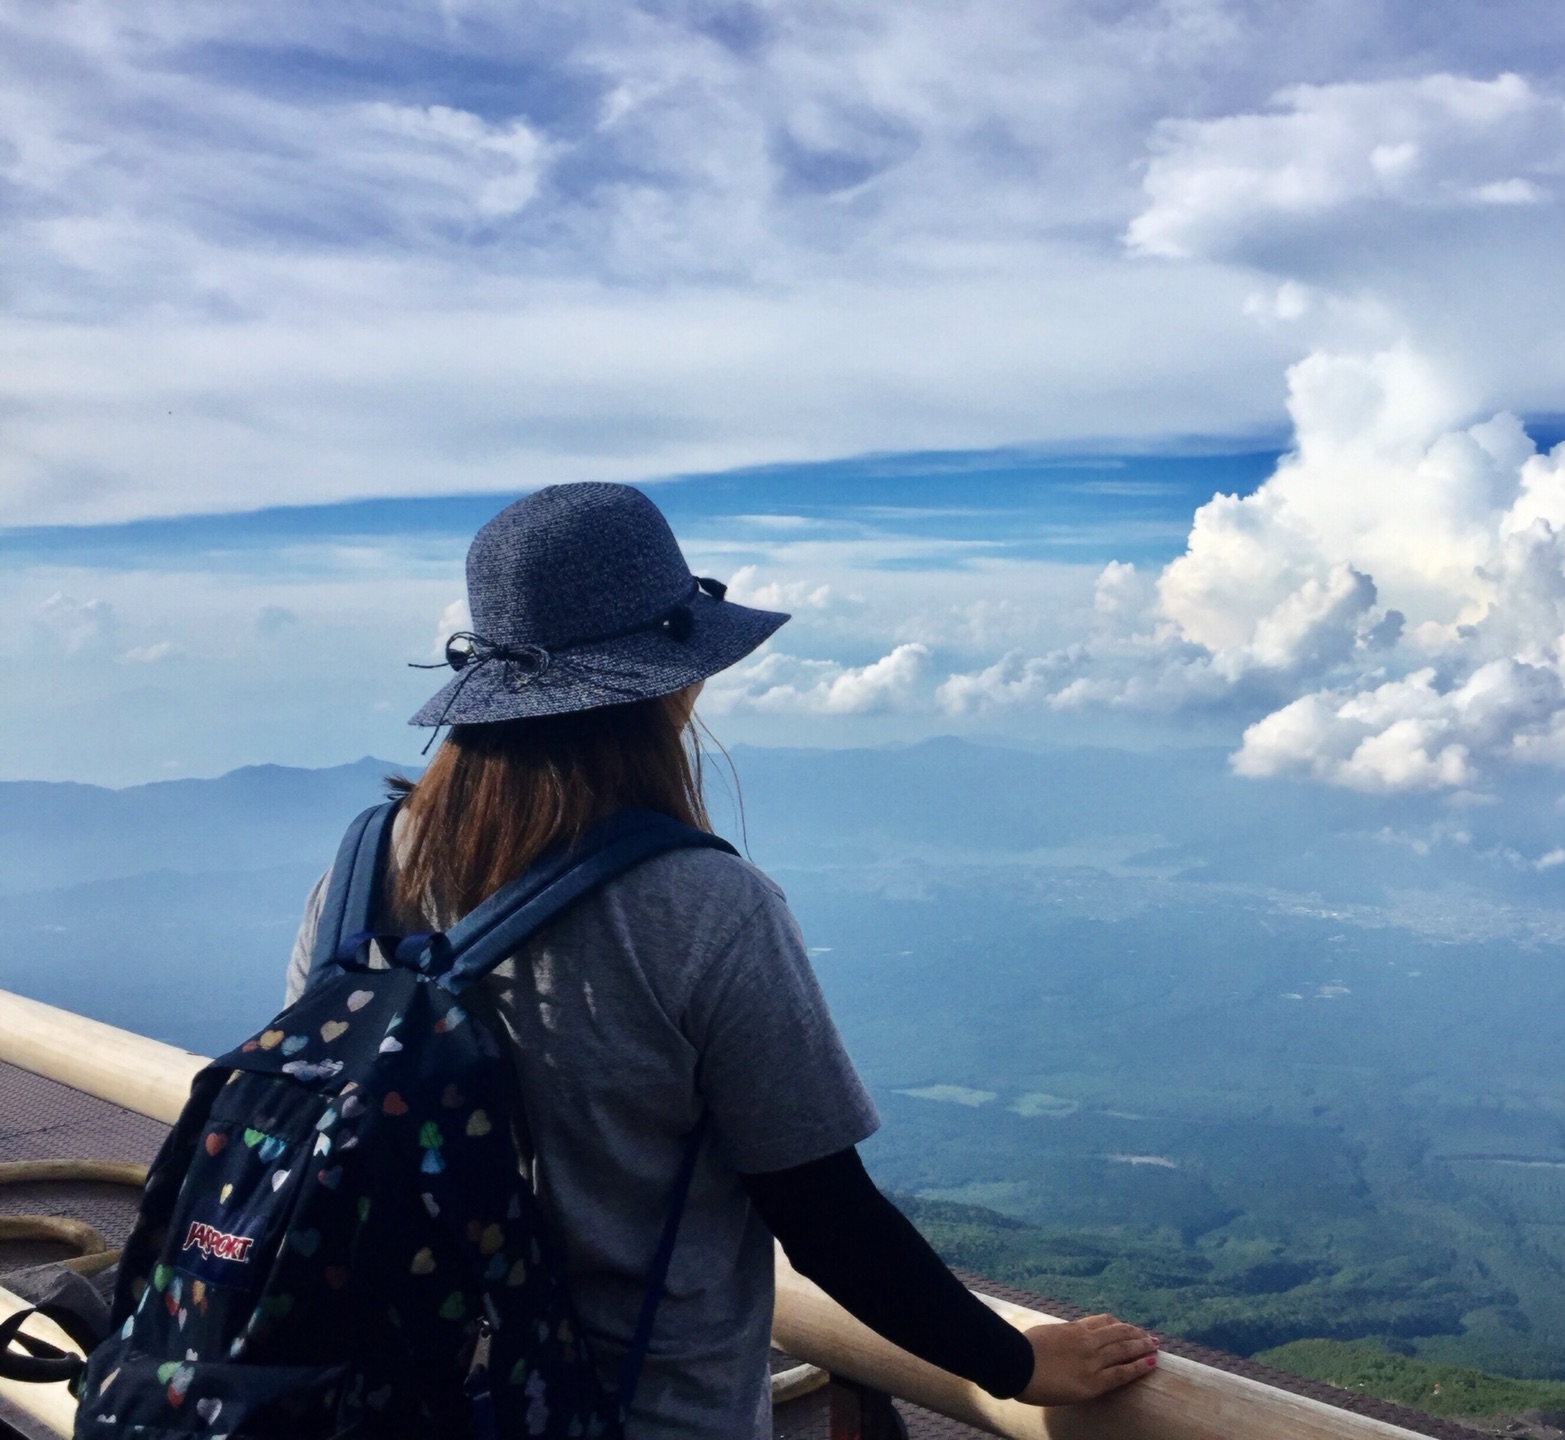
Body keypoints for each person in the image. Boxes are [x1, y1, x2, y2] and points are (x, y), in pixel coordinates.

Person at [283, 482, 1158, 1438]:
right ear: (673, 680)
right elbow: (827, 1220)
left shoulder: (363, 869)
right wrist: (1018, 1362)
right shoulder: (702, 908)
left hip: (380, 1397)